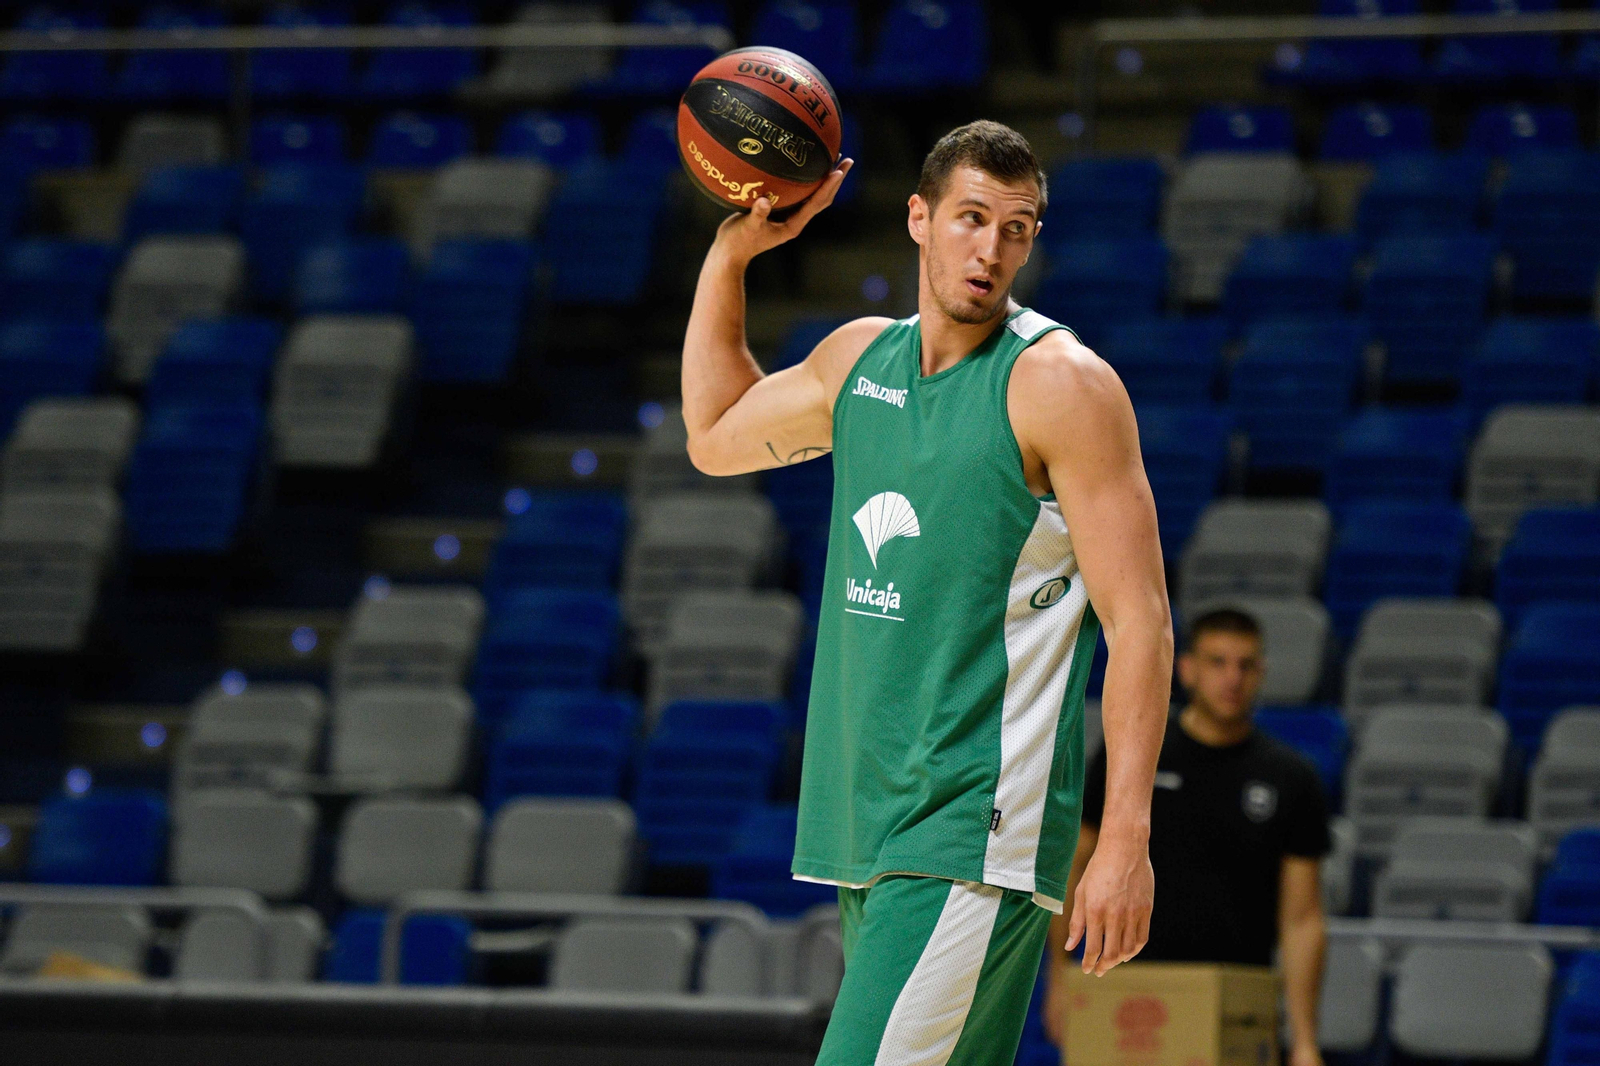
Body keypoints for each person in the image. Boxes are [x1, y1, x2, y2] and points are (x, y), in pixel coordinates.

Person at [680, 117, 1173, 1066]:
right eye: (971, 218)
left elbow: (1141, 625)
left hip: (968, 829)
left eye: (1017, 228)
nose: (991, 249)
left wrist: (1124, 840)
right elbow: (712, 434)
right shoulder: (860, 360)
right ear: (919, 218)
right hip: (871, 822)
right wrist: (730, 254)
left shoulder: (1061, 385)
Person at [1044, 607, 1332, 1066]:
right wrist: (1059, 980)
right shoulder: (1135, 756)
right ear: (1188, 668)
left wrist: (1304, 1039)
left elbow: (1302, 920)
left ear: (1262, 674)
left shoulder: (1291, 778)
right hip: (1124, 989)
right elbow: (1075, 865)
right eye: (1218, 662)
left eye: (1246, 665)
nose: (1232, 678)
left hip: (1236, 998)